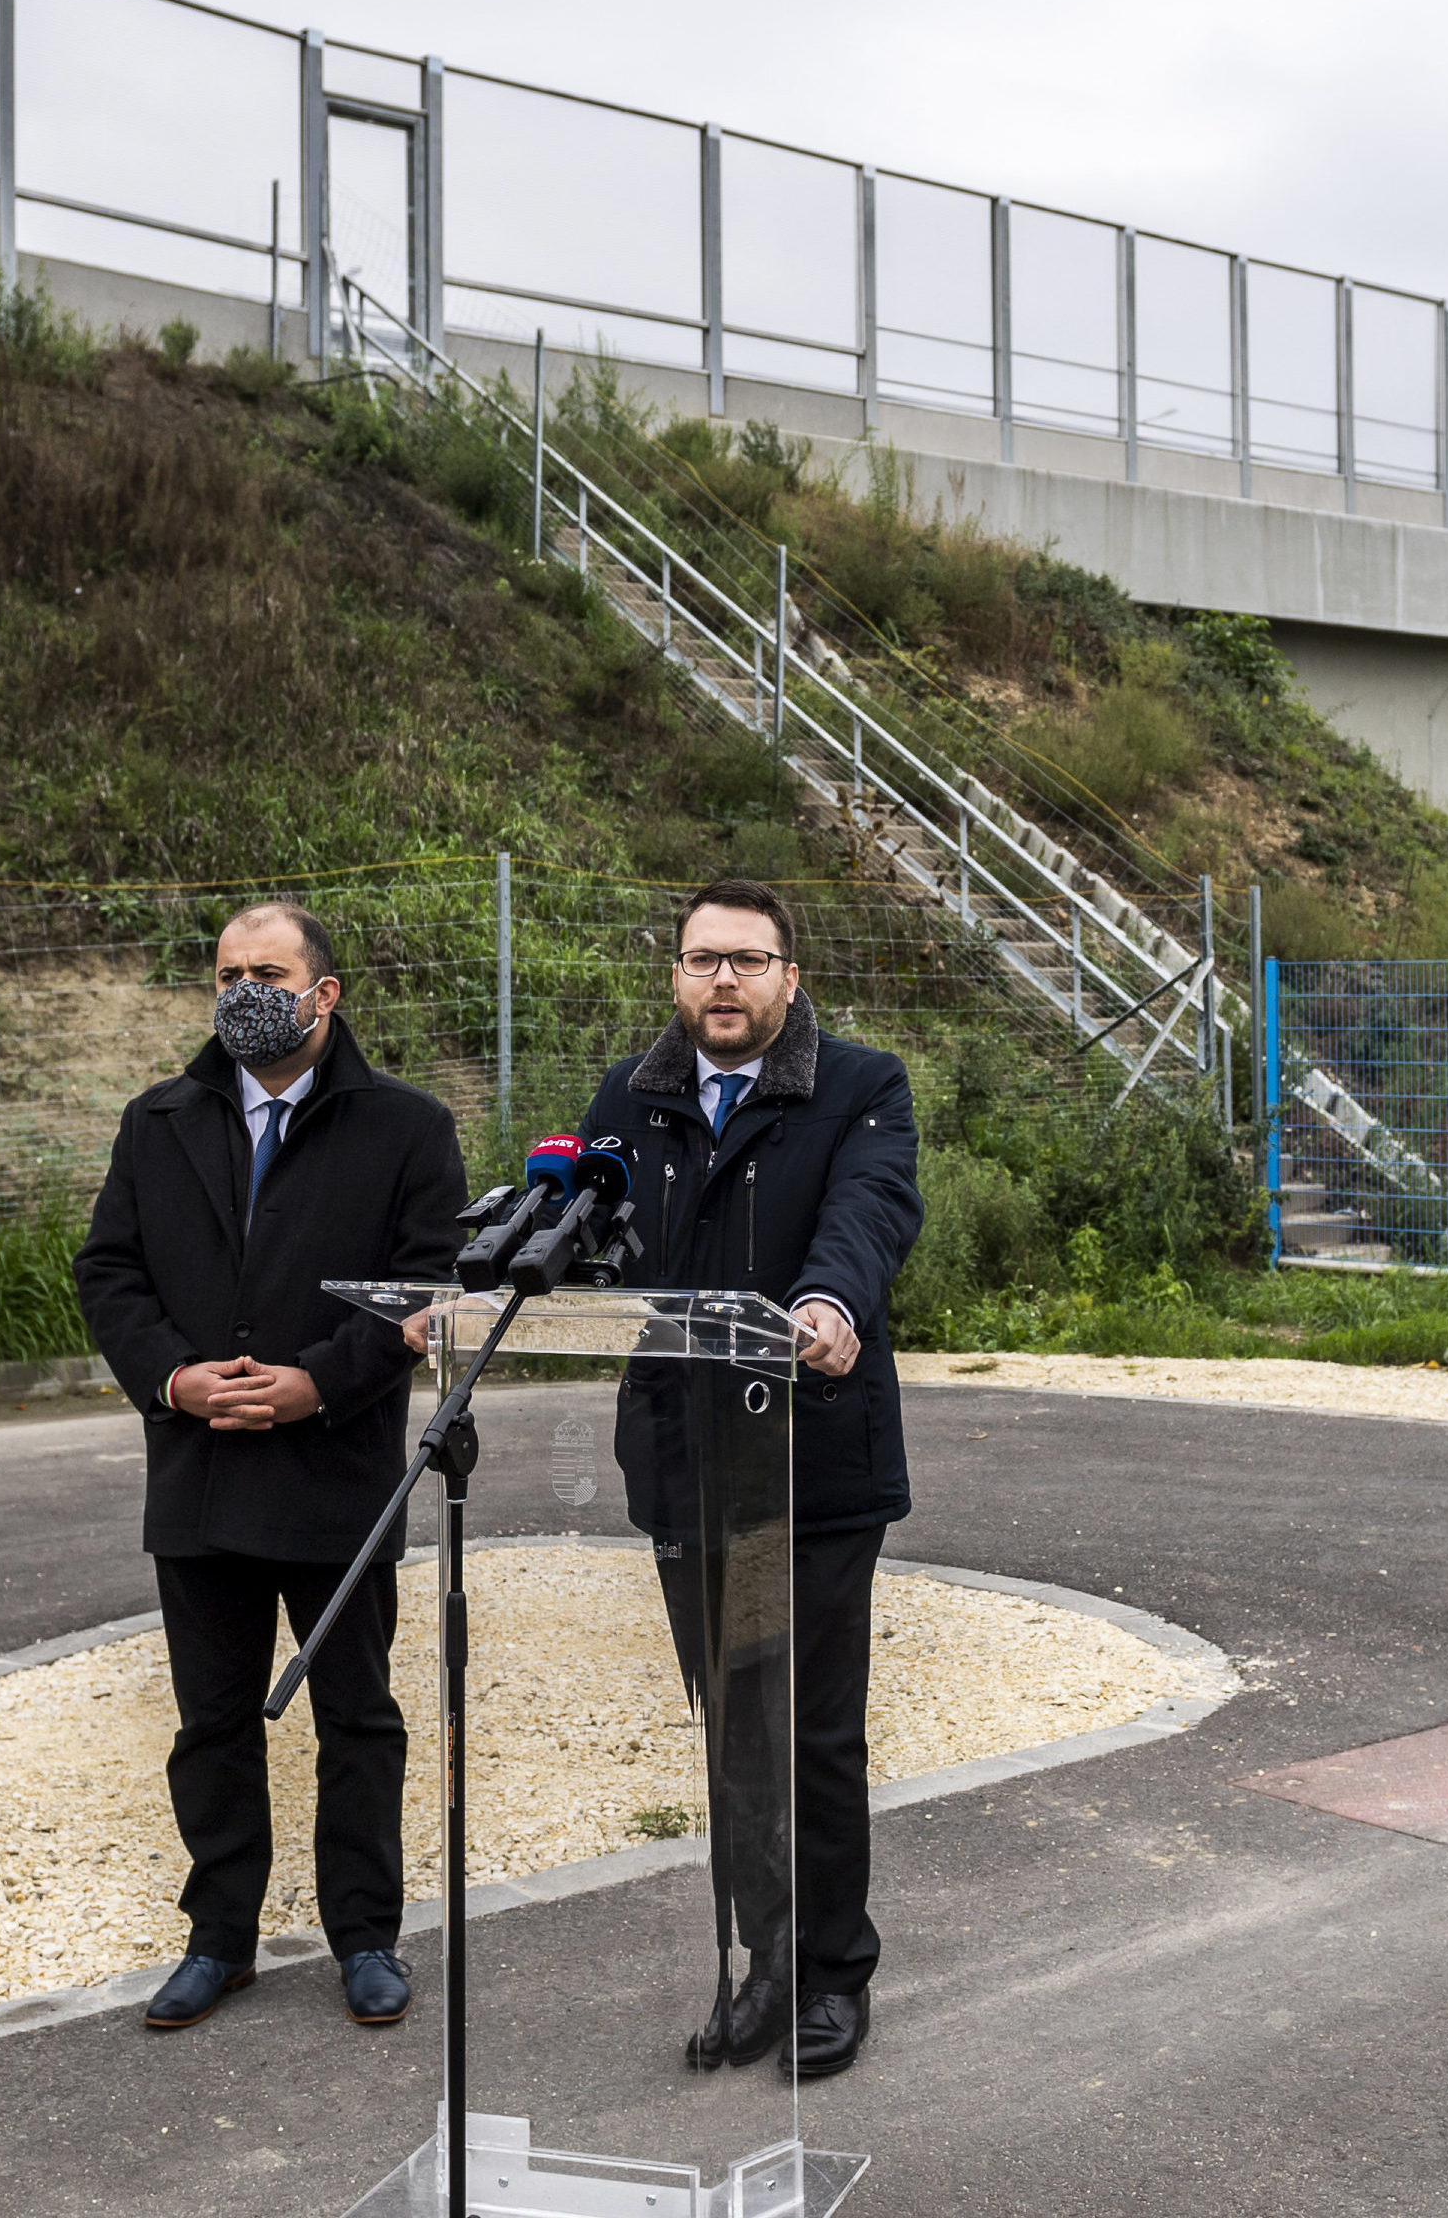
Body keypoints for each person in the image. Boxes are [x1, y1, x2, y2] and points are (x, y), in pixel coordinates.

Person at [75, 901, 464, 2035]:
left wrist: (316, 1383)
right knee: (210, 1721)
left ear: (324, 994)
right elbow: (109, 1273)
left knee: (356, 1715)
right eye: (227, 972)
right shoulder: (159, 1120)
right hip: (195, 1470)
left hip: (334, 1473)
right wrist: (176, 1379)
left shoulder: (405, 1128)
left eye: (268, 971)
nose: (244, 989)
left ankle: (365, 1936)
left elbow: (426, 1287)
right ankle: (219, 1938)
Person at [575, 877, 922, 2079]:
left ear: (789, 975)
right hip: (684, 1463)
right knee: (733, 1734)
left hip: (808, 1459)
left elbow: (868, 1215)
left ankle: (833, 1977)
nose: (721, 979)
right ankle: (763, 1965)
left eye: (746, 959)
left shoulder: (860, 1085)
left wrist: (825, 1304)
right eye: (700, 959)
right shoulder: (633, 1091)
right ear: (674, 975)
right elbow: (590, 1223)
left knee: (810, 1733)